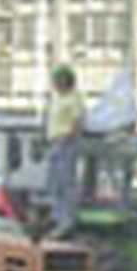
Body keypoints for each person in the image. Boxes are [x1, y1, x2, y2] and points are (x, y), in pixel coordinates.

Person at [46, 64, 85, 238]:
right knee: (53, 182)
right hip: (54, 142)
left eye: (57, 80)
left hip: (66, 143)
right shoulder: (56, 98)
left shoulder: (74, 99)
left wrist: (67, 137)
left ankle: (66, 220)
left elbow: (78, 122)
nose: (54, 83)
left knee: (65, 181)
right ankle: (56, 216)